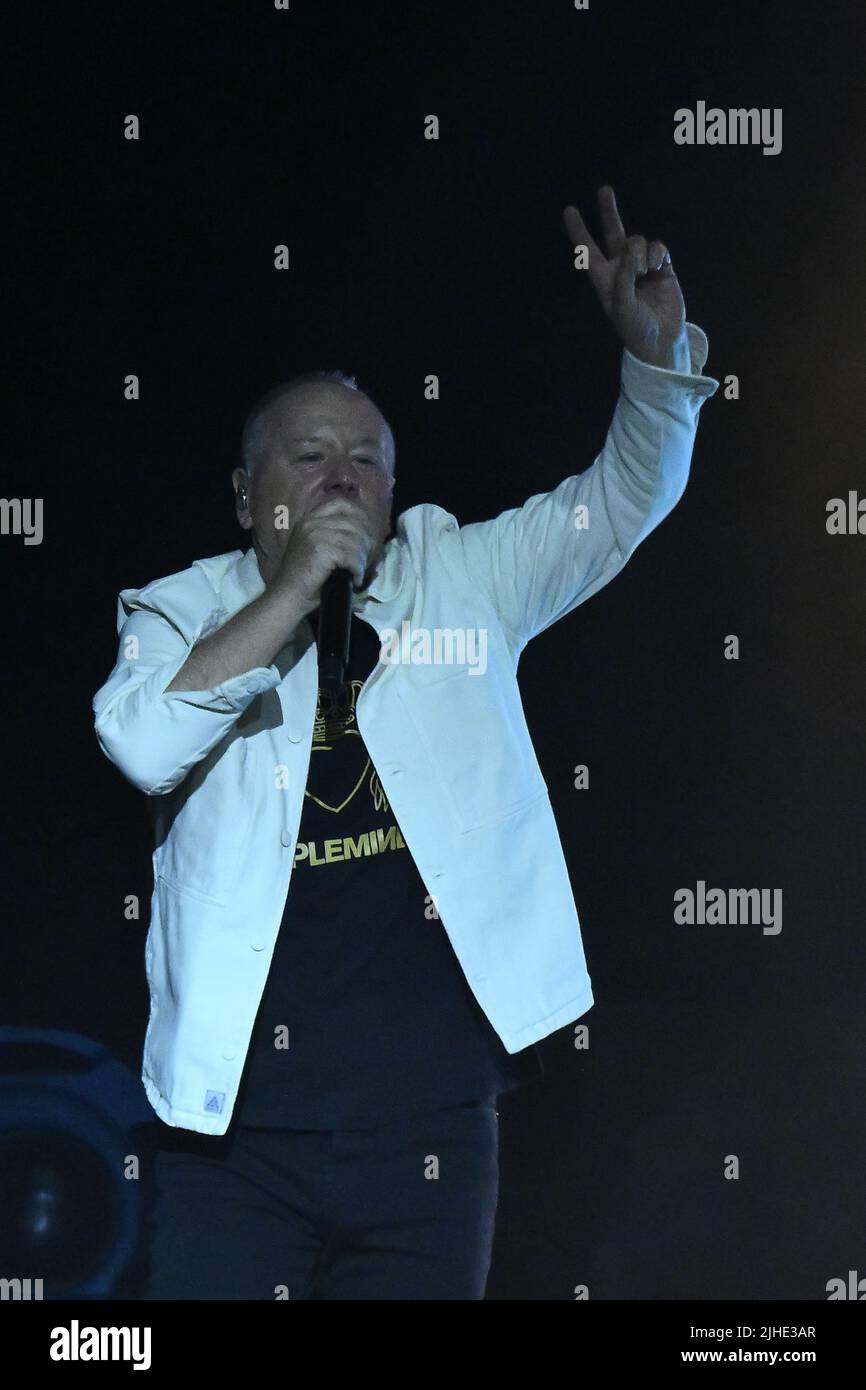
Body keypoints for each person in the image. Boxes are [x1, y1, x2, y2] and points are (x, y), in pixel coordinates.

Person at [92, 186, 719, 1299]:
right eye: (308, 458)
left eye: (367, 460)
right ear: (246, 496)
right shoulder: (180, 609)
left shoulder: (459, 575)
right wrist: (292, 590)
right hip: (234, 1138)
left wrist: (657, 368)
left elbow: (621, 502)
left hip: (425, 1134)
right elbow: (142, 744)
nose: (342, 476)